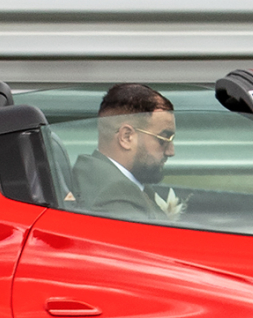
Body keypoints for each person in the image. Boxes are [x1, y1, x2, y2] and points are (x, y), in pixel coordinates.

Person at [70, 83, 181, 221]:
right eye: (163, 139)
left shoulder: (99, 180)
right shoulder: (115, 196)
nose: (171, 151)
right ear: (126, 137)